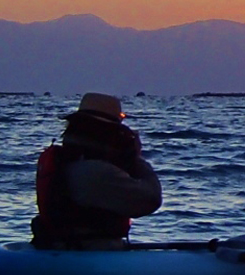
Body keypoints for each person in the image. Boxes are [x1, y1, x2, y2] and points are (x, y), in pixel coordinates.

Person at [31, 92, 163, 249]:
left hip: (62, 248)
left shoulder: (67, 162)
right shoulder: (95, 172)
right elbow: (151, 199)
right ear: (107, 132)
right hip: (88, 255)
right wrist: (136, 157)